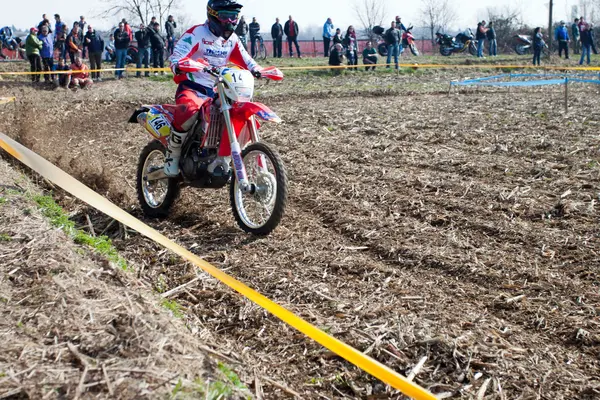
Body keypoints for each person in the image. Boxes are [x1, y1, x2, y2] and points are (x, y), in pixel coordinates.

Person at [165, 0, 261, 177]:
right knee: (189, 110)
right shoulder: (196, 33)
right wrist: (179, 64)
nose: (230, 22)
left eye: (234, 17)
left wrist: (258, 70)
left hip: (219, 90)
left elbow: (247, 60)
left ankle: (222, 156)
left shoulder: (232, 39)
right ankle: (173, 153)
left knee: (237, 110)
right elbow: (176, 56)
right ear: (212, 14)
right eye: (226, 16)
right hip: (194, 87)